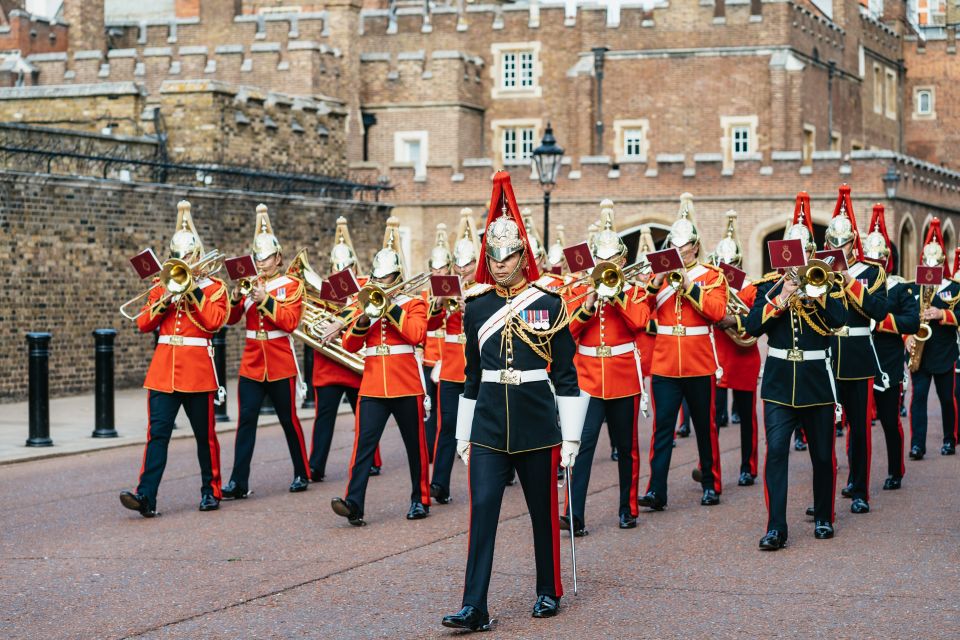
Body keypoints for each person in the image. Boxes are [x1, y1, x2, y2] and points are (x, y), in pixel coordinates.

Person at [441, 171, 586, 632]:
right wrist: (464, 431)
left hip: (536, 421)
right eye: (494, 256)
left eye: (508, 256)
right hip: (487, 422)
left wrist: (572, 436)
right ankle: (474, 605)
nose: (500, 264)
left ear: (523, 256)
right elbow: (470, 374)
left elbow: (564, 373)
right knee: (482, 510)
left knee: (543, 514)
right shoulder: (477, 305)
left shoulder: (548, 302)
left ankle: (548, 589)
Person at [746, 193, 848, 549]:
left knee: (822, 455)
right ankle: (776, 528)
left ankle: (823, 517)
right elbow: (751, 326)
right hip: (777, 384)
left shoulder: (827, 283)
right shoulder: (768, 287)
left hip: (816, 383)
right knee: (775, 453)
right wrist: (781, 296)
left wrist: (817, 294)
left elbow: (839, 321)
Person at [120, 200, 228, 517]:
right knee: (158, 435)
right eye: (177, 257)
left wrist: (192, 290)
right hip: (164, 370)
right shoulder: (160, 285)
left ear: (197, 255)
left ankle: (211, 490)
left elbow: (214, 322)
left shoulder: (215, 287)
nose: (182, 262)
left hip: (197, 370)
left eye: (187, 257)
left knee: (204, 437)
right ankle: (146, 496)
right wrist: (166, 297)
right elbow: (142, 323)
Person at [332, 217, 431, 525]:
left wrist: (390, 306)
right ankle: (354, 503)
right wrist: (363, 320)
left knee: (415, 448)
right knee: (363, 447)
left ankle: (420, 498)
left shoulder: (414, 302)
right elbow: (349, 345)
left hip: (406, 384)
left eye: (386, 280)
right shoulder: (366, 304)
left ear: (397, 278)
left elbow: (416, 335)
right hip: (373, 384)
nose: (379, 284)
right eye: (377, 278)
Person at [565, 200, 649, 534]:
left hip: (623, 377)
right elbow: (569, 331)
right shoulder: (578, 289)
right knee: (580, 447)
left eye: (611, 259)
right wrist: (588, 303)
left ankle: (628, 509)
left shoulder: (634, 290)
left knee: (627, 449)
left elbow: (640, 323)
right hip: (587, 377)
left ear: (622, 261)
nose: (604, 264)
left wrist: (616, 295)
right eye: (600, 258)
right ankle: (574, 513)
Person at [638, 193, 727, 511]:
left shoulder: (712, 276)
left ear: (695, 246)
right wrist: (655, 282)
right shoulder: (657, 277)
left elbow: (716, 312)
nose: (677, 251)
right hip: (665, 364)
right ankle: (656, 491)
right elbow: (639, 313)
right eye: (673, 246)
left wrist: (689, 285)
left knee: (706, 427)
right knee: (662, 430)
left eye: (683, 246)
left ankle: (711, 484)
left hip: (699, 362)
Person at [221, 205, 309, 499]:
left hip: (280, 361)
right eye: (257, 258)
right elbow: (231, 320)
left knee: (289, 420)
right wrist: (236, 298)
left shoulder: (291, 285)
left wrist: (266, 300)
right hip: (252, 363)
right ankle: (239, 481)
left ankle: (301, 471)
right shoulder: (248, 285)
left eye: (267, 258)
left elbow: (290, 321)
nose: (261, 263)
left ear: (278, 258)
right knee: (246, 421)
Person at [824, 185, 890, 515]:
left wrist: (848, 280)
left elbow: (879, 310)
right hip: (825, 355)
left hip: (858, 355)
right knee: (823, 429)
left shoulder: (871, 271)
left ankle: (860, 489)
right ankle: (826, 495)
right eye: (833, 243)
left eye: (844, 243)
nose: (838, 248)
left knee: (859, 428)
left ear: (853, 242)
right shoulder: (818, 268)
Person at [429, 208, 485, 504]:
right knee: (447, 426)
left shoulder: (487, 290)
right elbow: (426, 326)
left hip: (478, 367)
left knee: (482, 428)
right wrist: (438, 304)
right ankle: (439, 484)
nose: (463, 269)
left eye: (469, 263)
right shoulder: (447, 287)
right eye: (459, 263)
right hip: (451, 367)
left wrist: (470, 310)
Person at [864, 204, 918, 490]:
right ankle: (855, 477)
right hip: (860, 358)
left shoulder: (898, 287)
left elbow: (911, 321)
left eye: (879, 258)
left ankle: (895, 469)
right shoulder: (859, 282)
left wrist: (881, 322)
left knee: (888, 420)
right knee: (857, 424)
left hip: (887, 361)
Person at [308, 216, 363, 482]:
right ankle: (316, 466)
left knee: (363, 418)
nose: (343, 270)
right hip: (329, 363)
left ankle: (371, 461)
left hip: (354, 362)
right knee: (324, 418)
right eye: (338, 266)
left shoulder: (364, 289)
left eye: (347, 266)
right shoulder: (323, 289)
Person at [711, 210, 762, 487]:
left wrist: (735, 319)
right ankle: (711, 469)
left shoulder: (750, 287)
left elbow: (755, 319)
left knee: (746, 418)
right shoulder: (712, 286)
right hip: (718, 356)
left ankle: (748, 467)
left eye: (730, 264)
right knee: (714, 418)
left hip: (743, 355)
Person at [906, 219, 960, 459]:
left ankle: (950, 439)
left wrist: (942, 313)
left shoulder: (954, 288)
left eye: (936, 264)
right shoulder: (912, 288)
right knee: (918, 399)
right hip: (920, 350)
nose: (931, 268)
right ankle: (917, 445)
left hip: (944, 351)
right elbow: (903, 315)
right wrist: (907, 336)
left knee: (947, 399)